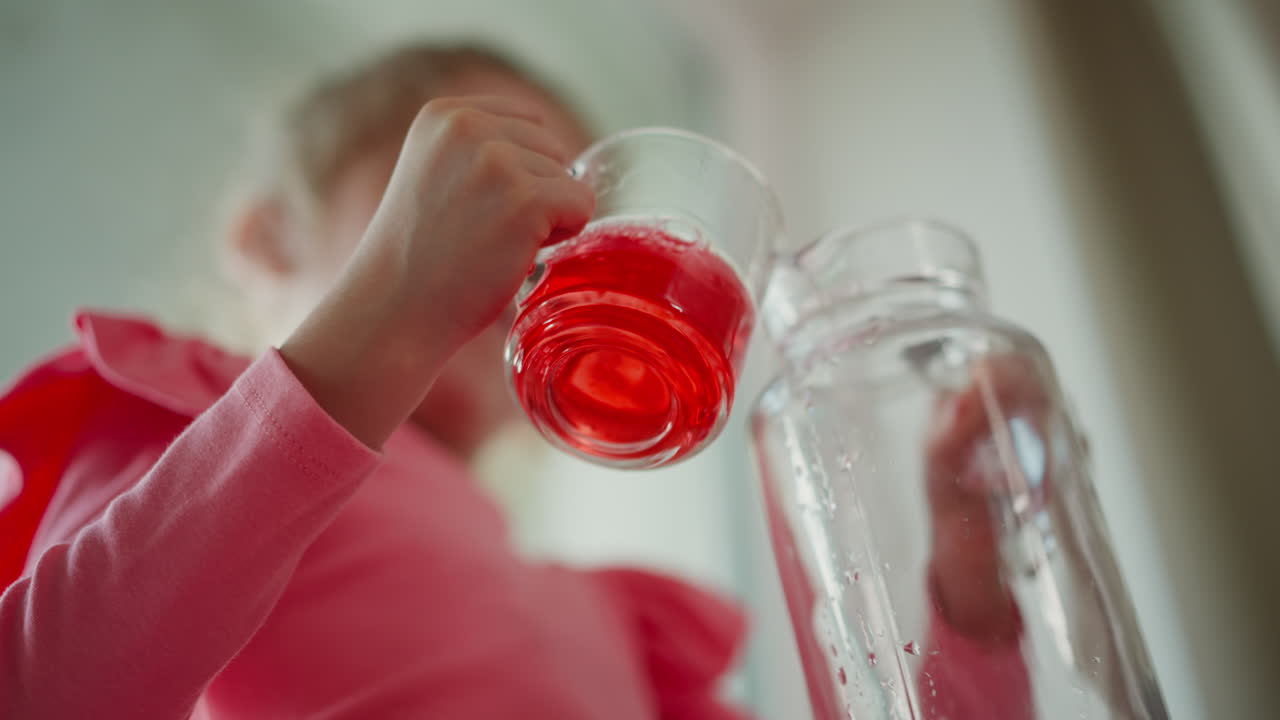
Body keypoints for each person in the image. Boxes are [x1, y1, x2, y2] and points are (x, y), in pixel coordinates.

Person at [0, 44, 750, 719]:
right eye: (476, 176)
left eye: (571, 223)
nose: (535, 241)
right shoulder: (194, 418)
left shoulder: (605, 614)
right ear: (270, 237)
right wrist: (389, 312)